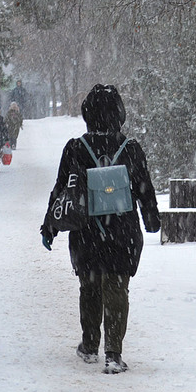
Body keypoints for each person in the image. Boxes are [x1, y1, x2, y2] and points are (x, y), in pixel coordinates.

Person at [40, 84, 161, 374]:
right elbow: (144, 188)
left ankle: (90, 344)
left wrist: (49, 226)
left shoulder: (75, 148)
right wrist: (151, 219)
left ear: (87, 115)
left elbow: (61, 191)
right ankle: (114, 353)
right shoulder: (130, 148)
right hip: (123, 231)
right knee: (118, 288)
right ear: (119, 114)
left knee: (90, 286)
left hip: (87, 232)